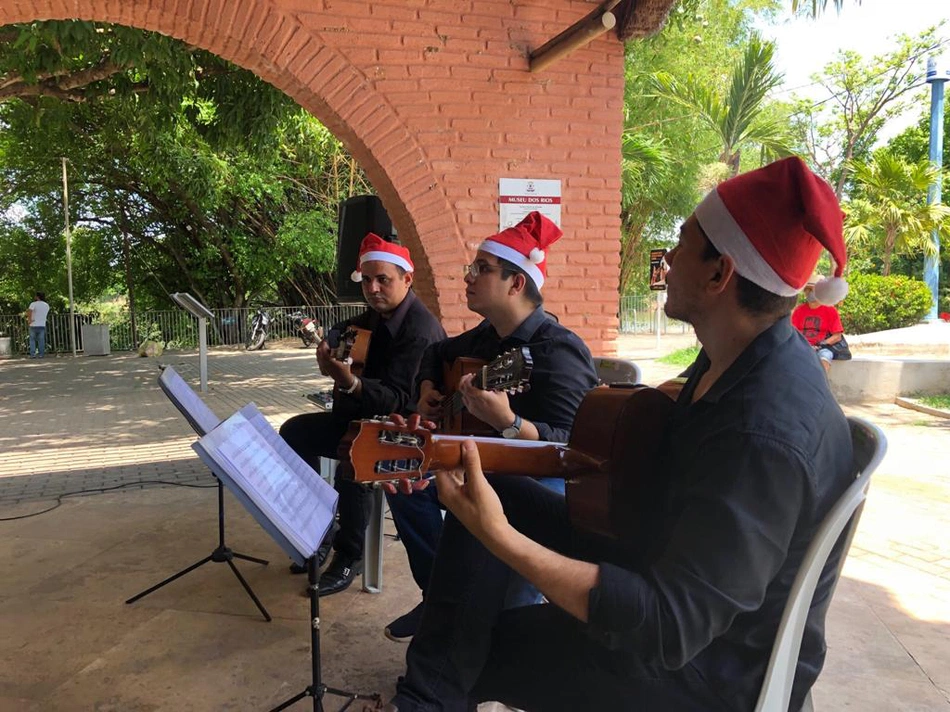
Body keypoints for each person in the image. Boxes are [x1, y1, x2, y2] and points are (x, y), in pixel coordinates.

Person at [366, 157, 855, 712]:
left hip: (708, 671)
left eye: (683, 242)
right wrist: (451, 457)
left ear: (721, 274)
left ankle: (427, 699)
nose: (667, 257)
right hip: (656, 557)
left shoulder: (763, 432)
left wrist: (502, 538)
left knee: (479, 648)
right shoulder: (734, 360)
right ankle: (427, 697)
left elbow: (670, 627)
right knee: (489, 491)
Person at [381, 211, 598, 642]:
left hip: (543, 478)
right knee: (402, 475)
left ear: (517, 283)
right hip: (484, 459)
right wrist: (427, 387)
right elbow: (436, 352)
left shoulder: (559, 351)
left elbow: (574, 445)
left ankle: (504, 629)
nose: (469, 277)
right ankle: (438, 594)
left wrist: (510, 422)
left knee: (502, 597)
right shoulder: (486, 336)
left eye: (482, 269)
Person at [278, 233, 445, 596]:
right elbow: (348, 327)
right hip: (360, 420)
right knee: (293, 433)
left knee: (352, 459)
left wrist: (351, 382)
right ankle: (321, 530)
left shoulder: (420, 330)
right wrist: (331, 345)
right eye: (366, 279)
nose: (372, 287)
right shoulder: (375, 317)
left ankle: (348, 555)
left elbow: (401, 401)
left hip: (403, 434)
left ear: (406, 279)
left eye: (382, 279)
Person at [791, 275, 847, 375]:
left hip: (822, 347)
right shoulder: (799, 310)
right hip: (802, 346)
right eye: (807, 290)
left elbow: (837, 336)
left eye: (813, 290)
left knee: (825, 357)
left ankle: (821, 384)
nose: (810, 293)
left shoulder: (830, 310)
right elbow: (792, 332)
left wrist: (822, 344)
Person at [25, 292, 50, 359]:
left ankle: (32, 354)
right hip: (42, 324)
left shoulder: (33, 304)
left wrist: (29, 320)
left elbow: (29, 311)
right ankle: (41, 354)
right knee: (41, 340)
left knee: (32, 340)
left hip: (33, 324)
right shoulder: (46, 305)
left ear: (37, 297)